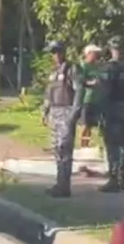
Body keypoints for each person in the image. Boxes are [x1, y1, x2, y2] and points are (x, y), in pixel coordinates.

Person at [41, 40, 85, 197]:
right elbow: (49, 93)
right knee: (56, 150)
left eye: (58, 51)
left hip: (66, 111)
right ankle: (59, 183)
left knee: (64, 149)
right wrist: (45, 110)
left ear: (63, 52)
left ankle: (64, 186)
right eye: (53, 52)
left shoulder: (72, 69)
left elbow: (79, 91)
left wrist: (74, 112)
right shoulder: (54, 72)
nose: (56, 55)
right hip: (54, 112)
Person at [98, 37, 124, 192]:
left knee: (112, 145)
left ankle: (114, 178)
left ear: (111, 50)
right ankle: (121, 178)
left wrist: (100, 111)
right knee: (123, 144)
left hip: (112, 110)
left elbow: (104, 91)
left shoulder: (109, 68)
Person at [77, 44, 104, 149]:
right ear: (88, 54)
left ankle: (87, 145)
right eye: (95, 53)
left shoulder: (98, 66)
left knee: (91, 125)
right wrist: (90, 83)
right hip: (86, 99)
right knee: (85, 124)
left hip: (96, 99)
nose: (97, 55)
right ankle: (82, 145)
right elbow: (80, 81)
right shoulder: (83, 66)